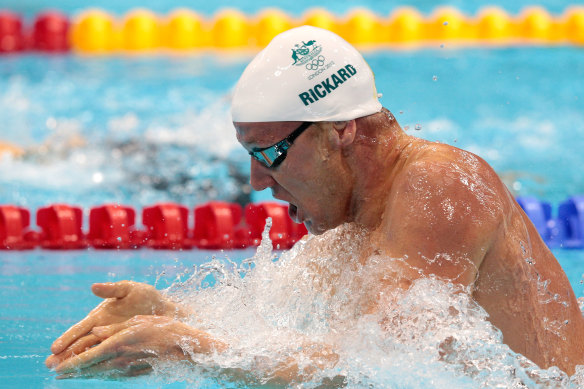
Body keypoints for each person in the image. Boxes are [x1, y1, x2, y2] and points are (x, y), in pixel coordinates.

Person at [46, 25, 584, 381]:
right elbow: (317, 349)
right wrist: (171, 317)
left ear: (340, 131)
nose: (257, 181)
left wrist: (185, 345)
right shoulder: (353, 220)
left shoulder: (438, 186)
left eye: (270, 152)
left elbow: (377, 372)